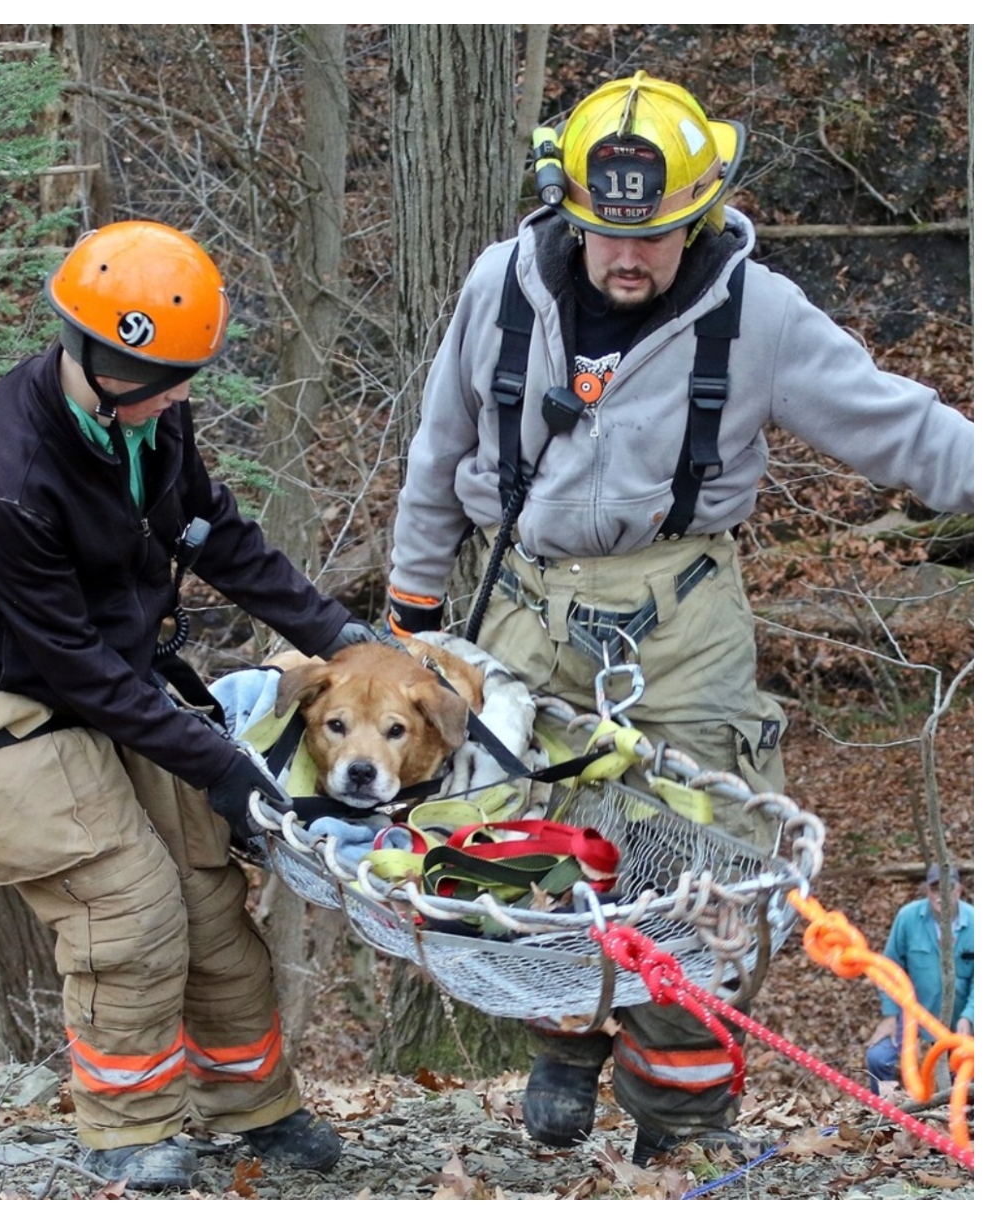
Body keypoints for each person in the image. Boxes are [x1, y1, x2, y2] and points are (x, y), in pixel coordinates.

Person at [383, 72, 974, 1165]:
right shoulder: (499, 288)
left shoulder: (756, 316)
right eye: (605, 234)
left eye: (653, 236)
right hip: (520, 608)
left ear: (698, 211)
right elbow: (438, 448)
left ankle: (685, 1125)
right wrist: (412, 609)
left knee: (700, 878)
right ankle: (564, 1030)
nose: (626, 257)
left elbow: (907, 431)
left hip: (683, 620)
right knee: (501, 858)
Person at [0, 220, 379, 1190]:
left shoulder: (150, 417)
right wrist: (222, 767)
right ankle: (126, 1131)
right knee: (126, 911)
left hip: (116, 681)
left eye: (186, 375)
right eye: (165, 376)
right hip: (20, 700)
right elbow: (71, 665)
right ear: (97, 355)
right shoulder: (5, 477)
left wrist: (340, 636)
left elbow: (217, 536)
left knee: (212, 903)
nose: (182, 396)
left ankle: (252, 1106)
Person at [864, 865, 974, 1093]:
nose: (941, 895)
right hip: (914, 1012)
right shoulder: (908, 918)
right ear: (927, 891)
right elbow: (889, 967)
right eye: (935, 889)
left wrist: (969, 1016)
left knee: (967, 1069)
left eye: (948, 888)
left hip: (959, 1014)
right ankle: (883, 1118)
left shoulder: (978, 923)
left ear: (959, 890)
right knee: (878, 1057)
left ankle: (959, 1116)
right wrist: (891, 1013)